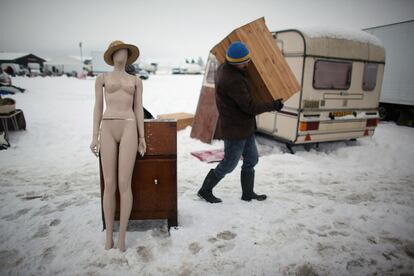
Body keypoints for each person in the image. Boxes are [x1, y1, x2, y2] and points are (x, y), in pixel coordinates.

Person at [197, 41, 284, 203]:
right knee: (229, 163)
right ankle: (205, 190)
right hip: (235, 130)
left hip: (244, 127)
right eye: (246, 61)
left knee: (252, 159)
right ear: (238, 63)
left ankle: (248, 193)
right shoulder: (233, 80)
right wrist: (273, 105)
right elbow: (250, 107)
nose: (248, 63)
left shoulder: (226, 67)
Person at [90, 40, 146, 252]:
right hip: (108, 126)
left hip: (129, 126)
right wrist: (94, 135)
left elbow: (138, 108)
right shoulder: (102, 78)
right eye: (118, 51)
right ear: (112, 55)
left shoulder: (136, 81)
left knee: (124, 182)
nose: (122, 54)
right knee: (109, 182)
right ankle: (108, 237)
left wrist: (142, 137)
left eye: (125, 51)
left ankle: (121, 236)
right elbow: (97, 107)